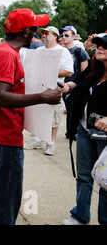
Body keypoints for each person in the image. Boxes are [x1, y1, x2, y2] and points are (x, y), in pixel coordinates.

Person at [0, 8, 62, 225]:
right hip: (3, 135)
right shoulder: (7, 54)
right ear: (25, 33)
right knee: (4, 202)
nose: (37, 33)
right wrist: (42, 96)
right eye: (35, 29)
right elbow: (0, 96)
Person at [61, 33, 107, 225]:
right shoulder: (94, 68)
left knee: (105, 181)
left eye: (104, 46)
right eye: (97, 46)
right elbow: (78, 81)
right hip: (84, 129)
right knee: (83, 176)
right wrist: (67, 86)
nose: (99, 48)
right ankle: (80, 215)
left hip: (104, 136)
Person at [24, 26, 73, 156]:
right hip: (37, 88)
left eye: (46, 33)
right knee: (36, 114)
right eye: (43, 34)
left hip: (54, 89)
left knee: (53, 117)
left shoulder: (63, 51)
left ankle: (50, 143)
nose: (44, 36)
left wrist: (49, 71)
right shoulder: (39, 50)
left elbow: (68, 70)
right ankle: (36, 139)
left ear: (55, 36)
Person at [60, 25, 90, 139]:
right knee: (66, 109)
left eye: (67, 35)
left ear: (73, 37)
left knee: (72, 109)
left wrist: (79, 87)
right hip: (61, 85)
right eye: (62, 35)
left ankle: (72, 132)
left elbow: (85, 72)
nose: (64, 37)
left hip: (74, 86)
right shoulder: (60, 51)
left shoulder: (79, 51)